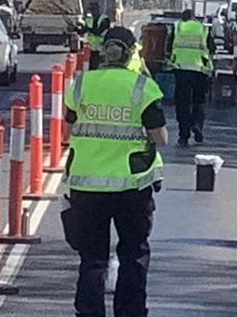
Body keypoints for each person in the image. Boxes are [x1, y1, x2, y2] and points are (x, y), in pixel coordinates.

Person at [62, 27, 168, 317]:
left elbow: (67, 130)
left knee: (92, 259)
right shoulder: (141, 87)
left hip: (86, 187)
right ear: (130, 52)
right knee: (133, 255)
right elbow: (161, 138)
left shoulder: (82, 84)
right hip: (131, 188)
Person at [170, 9, 212, 147]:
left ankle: (183, 135)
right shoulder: (203, 29)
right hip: (199, 70)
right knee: (198, 101)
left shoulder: (177, 27)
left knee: (182, 103)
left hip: (181, 70)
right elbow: (212, 47)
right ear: (194, 18)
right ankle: (197, 124)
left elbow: (169, 47)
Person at [80, 2, 112, 70]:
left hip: (102, 49)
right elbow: (83, 30)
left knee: (101, 68)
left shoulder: (104, 19)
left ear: (98, 9)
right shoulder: (89, 19)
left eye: (94, 9)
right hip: (92, 50)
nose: (92, 11)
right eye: (91, 10)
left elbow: (98, 32)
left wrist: (89, 29)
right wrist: (75, 28)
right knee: (92, 68)